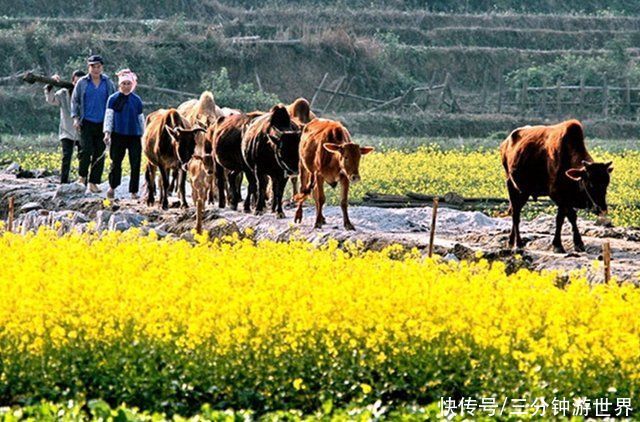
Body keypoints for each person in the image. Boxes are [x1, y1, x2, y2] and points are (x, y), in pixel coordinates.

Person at [70, 54, 116, 193]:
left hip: (102, 123)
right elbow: (75, 101)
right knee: (86, 151)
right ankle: (82, 177)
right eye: (93, 67)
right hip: (86, 122)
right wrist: (75, 118)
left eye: (98, 66)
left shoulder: (108, 83)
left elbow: (113, 102)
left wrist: (112, 124)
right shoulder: (82, 82)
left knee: (99, 153)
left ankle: (93, 182)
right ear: (88, 67)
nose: (96, 69)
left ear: (102, 67)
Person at [103, 69, 145, 200]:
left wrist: (144, 134)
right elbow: (109, 117)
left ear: (132, 85)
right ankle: (112, 187)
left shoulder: (137, 100)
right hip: (118, 134)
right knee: (116, 161)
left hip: (134, 135)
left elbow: (140, 119)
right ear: (120, 85)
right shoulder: (113, 99)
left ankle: (133, 191)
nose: (126, 86)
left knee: (135, 163)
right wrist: (107, 133)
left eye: (128, 83)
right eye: (124, 84)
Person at [44, 70, 85, 183]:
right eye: (76, 82)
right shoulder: (63, 93)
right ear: (72, 81)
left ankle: (83, 180)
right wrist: (50, 84)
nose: (78, 85)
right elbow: (51, 100)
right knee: (66, 157)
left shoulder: (87, 94)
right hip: (67, 130)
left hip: (82, 131)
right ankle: (64, 181)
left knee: (83, 157)